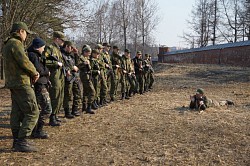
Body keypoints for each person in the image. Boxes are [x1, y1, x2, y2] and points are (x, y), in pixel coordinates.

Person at [3, 22, 40, 152]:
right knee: (33, 111)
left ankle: (16, 141)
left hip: (13, 83)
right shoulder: (16, 43)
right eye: (25, 32)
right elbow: (24, 61)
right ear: (20, 31)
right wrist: (35, 72)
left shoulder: (8, 44)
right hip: (21, 82)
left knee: (17, 112)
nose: (26, 36)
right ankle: (22, 141)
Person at [27, 37, 52, 139]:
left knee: (39, 108)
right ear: (38, 47)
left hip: (42, 83)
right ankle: (38, 130)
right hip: (39, 85)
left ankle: (36, 130)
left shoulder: (37, 55)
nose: (44, 49)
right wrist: (47, 72)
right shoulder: (33, 55)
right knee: (47, 108)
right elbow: (39, 70)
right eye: (43, 47)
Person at [45, 31, 66, 126]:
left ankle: (55, 115)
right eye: (62, 40)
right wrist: (55, 63)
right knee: (55, 95)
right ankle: (52, 117)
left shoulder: (58, 49)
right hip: (54, 76)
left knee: (60, 96)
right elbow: (44, 61)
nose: (63, 42)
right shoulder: (50, 48)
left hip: (60, 75)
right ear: (56, 39)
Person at [61, 41, 81, 119]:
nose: (72, 49)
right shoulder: (62, 55)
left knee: (77, 93)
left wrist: (76, 54)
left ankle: (74, 110)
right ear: (67, 46)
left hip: (74, 77)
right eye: (71, 48)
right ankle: (67, 112)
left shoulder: (71, 56)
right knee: (67, 95)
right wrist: (71, 68)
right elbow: (62, 66)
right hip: (68, 78)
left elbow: (77, 64)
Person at [78, 45, 96, 114]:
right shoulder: (81, 58)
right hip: (84, 77)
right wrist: (84, 63)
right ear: (85, 52)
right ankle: (88, 107)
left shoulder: (86, 58)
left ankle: (84, 107)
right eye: (89, 52)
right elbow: (78, 66)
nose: (90, 54)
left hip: (88, 76)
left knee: (85, 92)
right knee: (92, 91)